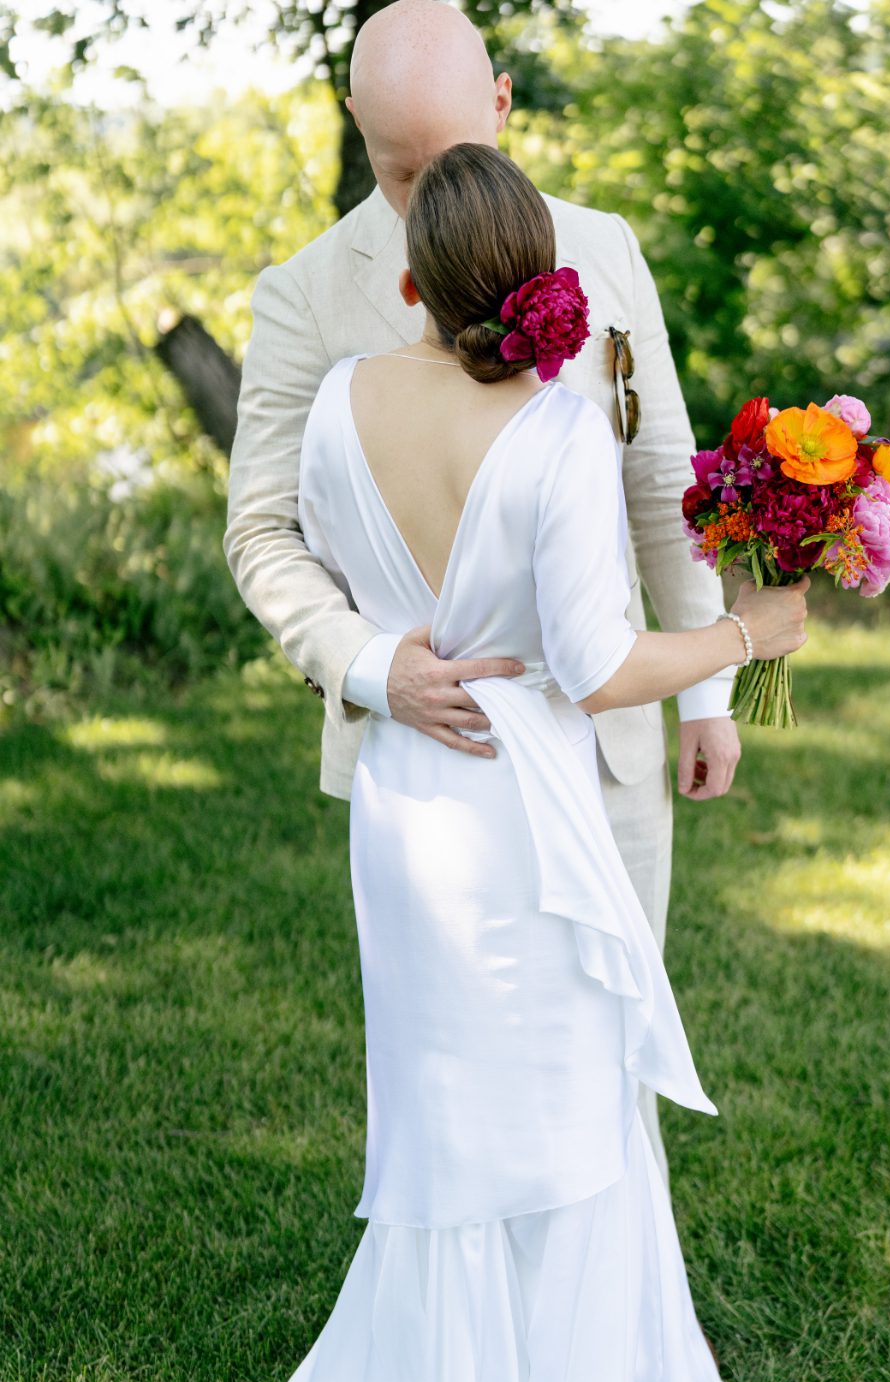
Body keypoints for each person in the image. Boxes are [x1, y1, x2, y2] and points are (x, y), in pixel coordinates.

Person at [196, 142, 810, 1382]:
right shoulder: (558, 427)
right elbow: (598, 672)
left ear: (409, 285)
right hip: (527, 803)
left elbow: (307, 545)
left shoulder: (348, 397)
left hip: (411, 797)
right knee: (563, 1110)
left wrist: (383, 652)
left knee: (444, 1116)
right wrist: (744, 633)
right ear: (542, 277)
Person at [222, 0, 743, 1192]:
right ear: (356, 131)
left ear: (504, 104)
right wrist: (368, 663)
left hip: (603, 741)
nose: (424, 201)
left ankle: (592, 1325)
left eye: (453, 157)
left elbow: (658, 473)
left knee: (607, 1054)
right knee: (452, 1093)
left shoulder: (602, 247)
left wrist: (708, 683)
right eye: (397, 170)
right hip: (431, 772)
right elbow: (262, 529)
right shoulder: (302, 295)